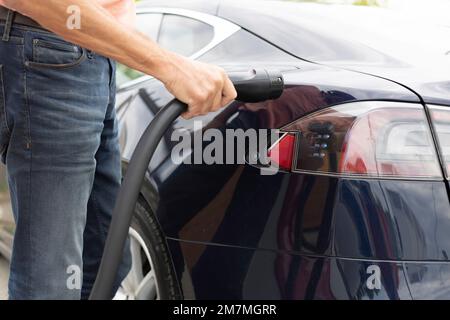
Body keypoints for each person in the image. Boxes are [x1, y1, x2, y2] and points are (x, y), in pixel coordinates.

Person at [0, 0, 237, 300]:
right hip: (47, 45)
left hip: (93, 57)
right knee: (52, 280)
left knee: (104, 261)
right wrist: (169, 65)